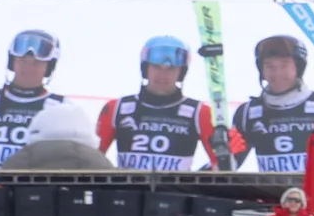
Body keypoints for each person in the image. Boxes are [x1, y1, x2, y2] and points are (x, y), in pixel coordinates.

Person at [98, 35, 228, 171]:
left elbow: (223, 168)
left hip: (175, 191)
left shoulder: (200, 112)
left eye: (171, 68)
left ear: (181, 72)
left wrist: (227, 152)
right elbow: (91, 159)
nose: (163, 74)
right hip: (128, 190)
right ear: (145, 68)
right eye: (156, 67)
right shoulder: (117, 108)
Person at [0, 28, 88, 171]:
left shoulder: (62, 108)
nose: (28, 68)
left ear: (49, 67)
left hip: (31, 189)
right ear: (12, 62)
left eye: (36, 63)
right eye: (22, 61)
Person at [230, 35, 314, 177]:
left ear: (298, 67)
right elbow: (229, 167)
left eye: (284, 65)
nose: (277, 73)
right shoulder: (247, 113)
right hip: (274, 196)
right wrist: (223, 152)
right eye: (270, 66)